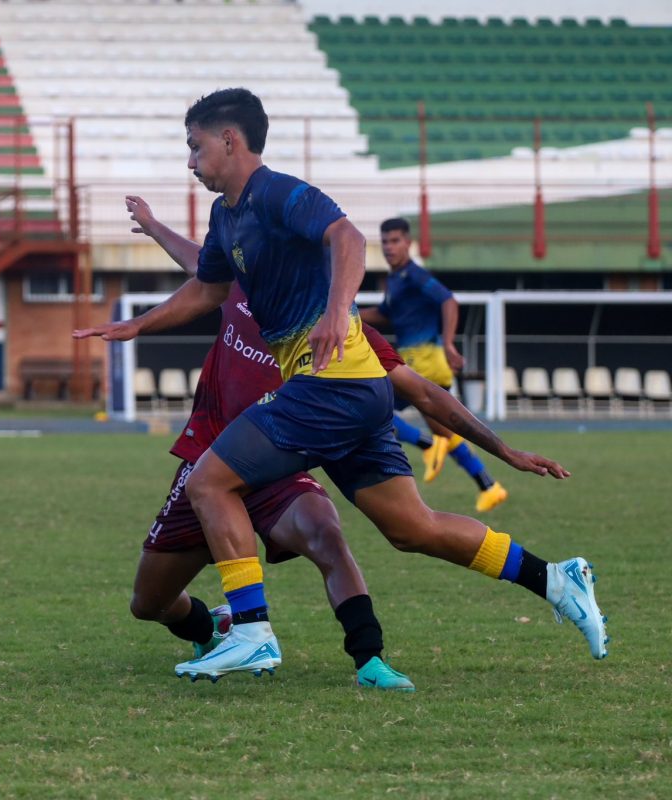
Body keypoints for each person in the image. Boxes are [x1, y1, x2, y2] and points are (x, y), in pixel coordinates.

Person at [75, 88, 608, 682]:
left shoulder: (276, 192)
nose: (190, 162)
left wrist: (336, 308)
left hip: (332, 388)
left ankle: (249, 631)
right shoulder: (227, 218)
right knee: (413, 528)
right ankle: (556, 579)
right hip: (356, 397)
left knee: (208, 483)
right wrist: (139, 324)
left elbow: (348, 238)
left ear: (230, 140)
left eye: (195, 147)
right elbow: (205, 288)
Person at [126, 196, 571, 691]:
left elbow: (424, 392)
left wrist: (504, 450)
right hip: (209, 460)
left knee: (327, 533)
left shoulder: (347, 333)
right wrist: (152, 224)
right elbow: (197, 260)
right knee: (149, 603)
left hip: (276, 465)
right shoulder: (239, 284)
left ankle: (369, 658)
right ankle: (216, 628)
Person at [360, 218, 507, 512]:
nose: (389, 247)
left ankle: (427, 445)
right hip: (425, 363)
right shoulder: (397, 280)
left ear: (408, 243)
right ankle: (489, 486)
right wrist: (347, 313)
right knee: (445, 430)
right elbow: (386, 313)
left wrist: (450, 342)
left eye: (395, 241)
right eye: (385, 241)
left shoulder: (414, 275)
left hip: (421, 360)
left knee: (371, 409)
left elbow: (448, 301)